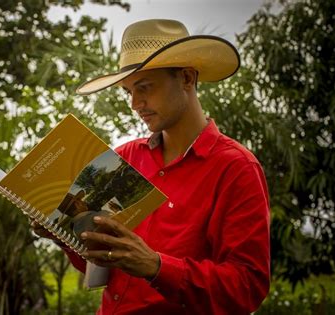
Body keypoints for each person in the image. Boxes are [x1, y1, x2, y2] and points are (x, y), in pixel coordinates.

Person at [33, 19, 270, 314]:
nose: (135, 103)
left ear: (186, 78)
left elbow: (248, 286)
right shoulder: (125, 158)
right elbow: (103, 264)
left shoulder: (236, 168)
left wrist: (156, 266)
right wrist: (65, 235)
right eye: (127, 91)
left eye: (144, 88)